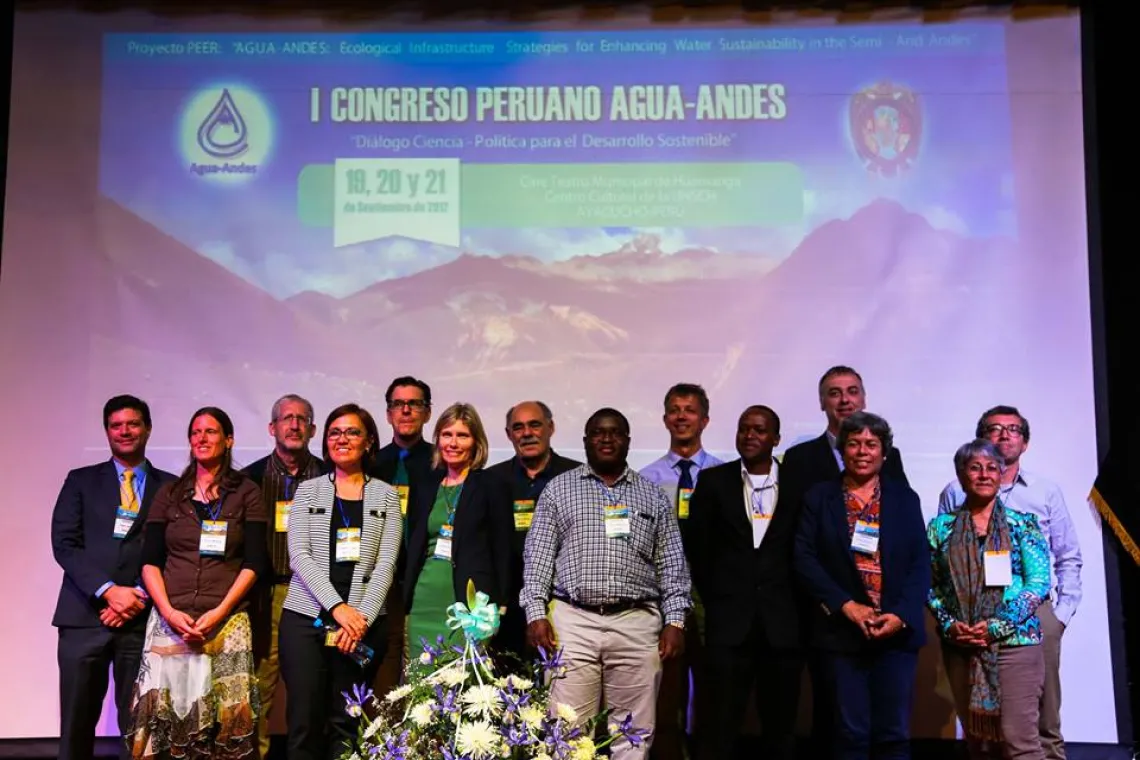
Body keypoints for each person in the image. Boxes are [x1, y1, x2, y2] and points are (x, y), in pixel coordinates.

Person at [521, 408, 691, 760]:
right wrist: (535, 613)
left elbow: (672, 566)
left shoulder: (653, 496)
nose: (607, 438)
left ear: (628, 441)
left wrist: (675, 621)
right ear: (586, 441)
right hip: (573, 622)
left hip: (636, 623)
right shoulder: (559, 490)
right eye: (598, 432)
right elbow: (537, 558)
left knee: (633, 734)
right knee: (566, 732)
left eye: (615, 433)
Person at [938, 406, 1081, 760]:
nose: (1004, 435)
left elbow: (1067, 557)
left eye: (1013, 429)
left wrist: (1060, 616)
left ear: (1025, 442)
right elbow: (939, 569)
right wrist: (951, 621)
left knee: (1040, 721)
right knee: (981, 728)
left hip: (1031, 618)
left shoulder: (1044, 493)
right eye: (994, 429)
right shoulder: (952, 496)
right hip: (969, 621)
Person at [780, 365, 909, 756]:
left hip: (883, 610)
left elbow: (900, 535)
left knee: (886, 725)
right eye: (834, 393)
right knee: (832, 716)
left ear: (863, 398)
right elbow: (795, 538)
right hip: (827, 611)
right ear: (822, 403)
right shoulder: (800, 459)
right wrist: (836, 602)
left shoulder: (893, 457)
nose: (844, 400)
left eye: (852, 391)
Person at [129, 407, 267, 759]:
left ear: (228, 440)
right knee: (164, 723)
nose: (202, 439)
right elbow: (150, 562)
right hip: (171, 622)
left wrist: (220, 612)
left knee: (224, 723)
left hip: (226, 622)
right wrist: (169, 611)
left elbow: (253, 563)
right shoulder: (169, 493)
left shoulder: (247, 493)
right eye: (195, 432)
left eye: (211, 431)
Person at [794, 411, 929, 760]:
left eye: (871, 444)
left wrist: (900, 615)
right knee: (849, 733)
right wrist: (847, 606)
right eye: (853, 443)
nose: (862, 451)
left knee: (893, 735)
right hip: (841, 632)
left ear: (885, 453)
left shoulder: (904, 498)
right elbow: (804, 558)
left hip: (895, 634)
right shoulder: (819, 497)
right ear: (842, 450)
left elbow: (920, 563)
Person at [51, 395, 175, 760]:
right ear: (107, 431)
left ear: (148, 428)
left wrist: (136, 595)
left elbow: (172, 550)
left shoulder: (169, 488)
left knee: (139, 725)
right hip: (83, 617)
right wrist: (108, 592)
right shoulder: (80, 481)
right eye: (116, 425)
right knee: (76, 723)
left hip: (139, 621)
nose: (125, 431)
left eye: (133, 424)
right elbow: (65, 544)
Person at [279, 403, 403, 760]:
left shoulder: (386, 495)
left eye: (352, 432)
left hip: (362, 627)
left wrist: (358, 618)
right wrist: (339, 609)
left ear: (368, 442)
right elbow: (299, 557)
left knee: (346, 721)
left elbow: (386, 563)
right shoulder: (307, 491)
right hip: (307, 620)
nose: (342, 439)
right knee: (303, 721)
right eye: (335, 432)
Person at [687, 405, 800, 760]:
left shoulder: (799, 486)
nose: (750, 435)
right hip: (729, 627)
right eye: (743, 429)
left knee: (779, 727)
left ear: (775, 439)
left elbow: (805, 552)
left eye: (759, 430)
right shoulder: (713, 482)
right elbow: (699, 551)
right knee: (719, 725)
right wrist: (720, 599)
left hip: (782, 628)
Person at [929, 439, 1051, 760]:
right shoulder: (940, 528)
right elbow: (930, 586)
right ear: (961, 475)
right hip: (961, 646)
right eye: (975, 467)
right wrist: (949, 623)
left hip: (1015, 645)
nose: (984, 474)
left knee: (1019, 744)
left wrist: (996, 626)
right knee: (979, 745)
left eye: (992, 468)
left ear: (1001, 475)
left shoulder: (1023, 525)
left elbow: (1038, 584)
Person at [639, 383, 723, 760]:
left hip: (711, 597)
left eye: (689, 410)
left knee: (711, 688)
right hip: (660, 597)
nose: (682, 416)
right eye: (674, 409)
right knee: (664, 689)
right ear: (664, 419)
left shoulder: (724, 475)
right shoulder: (646, 478)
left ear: (704, 419)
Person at [243, 393, 324, 759]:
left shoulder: (329, 475)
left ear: (313, 428)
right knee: (258, 690)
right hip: (268, 594)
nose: (294, 424)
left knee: (311, 692)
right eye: (286, 418)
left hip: (318, 596)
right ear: (272, 428)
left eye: (301, 418)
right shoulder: (250, 479)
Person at [404, 402, 512, 654]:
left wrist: (502, 603)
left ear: (476, 442)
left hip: (471, 604)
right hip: (424, 599)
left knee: (463, 684)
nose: (453, 443)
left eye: (462, 435)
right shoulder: (426, 484)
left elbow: (503, 549)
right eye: (447, 434)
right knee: (420, 683)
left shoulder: (491, 485)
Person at [486, 400, 580, 656]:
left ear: (551, 427)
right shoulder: (490, 480)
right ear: (508, 434)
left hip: (564, 603)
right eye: (518, 427)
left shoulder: (577, 477)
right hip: (507, 607)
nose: (527, 433)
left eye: (535, 425)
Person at [369, 376, 435, 691]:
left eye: (414, 404)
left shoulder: (441, 463)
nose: (406, 410)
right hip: (378, 583)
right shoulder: (371, 464)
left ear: (428, 412)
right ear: (388, 414)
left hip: (424, 581)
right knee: (381, 677)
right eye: (398, 404)